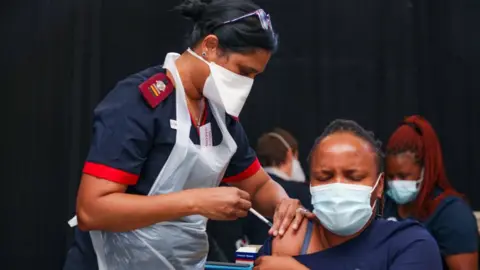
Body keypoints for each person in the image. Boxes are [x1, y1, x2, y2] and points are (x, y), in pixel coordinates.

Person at [63, 1, 309, 269]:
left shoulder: (220, 118)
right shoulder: (140, 102)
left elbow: (259, 186)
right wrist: (196, 202)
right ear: (211, 46)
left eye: (255, 75)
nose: (247, 83)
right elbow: (92, 210)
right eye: (243, 71)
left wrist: (283, 205)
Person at [254, 119, 442, 270]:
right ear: (310, 183)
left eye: (354, 177)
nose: (338, 185)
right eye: (324, 176)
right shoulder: (287, 239)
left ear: (379, 185)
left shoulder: (409, 244)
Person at [383, 115, 479, 270]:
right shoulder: (385, 205)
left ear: (425, 171)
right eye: (390, 176)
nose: (395, 183)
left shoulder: (452, 214)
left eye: (403, 176)